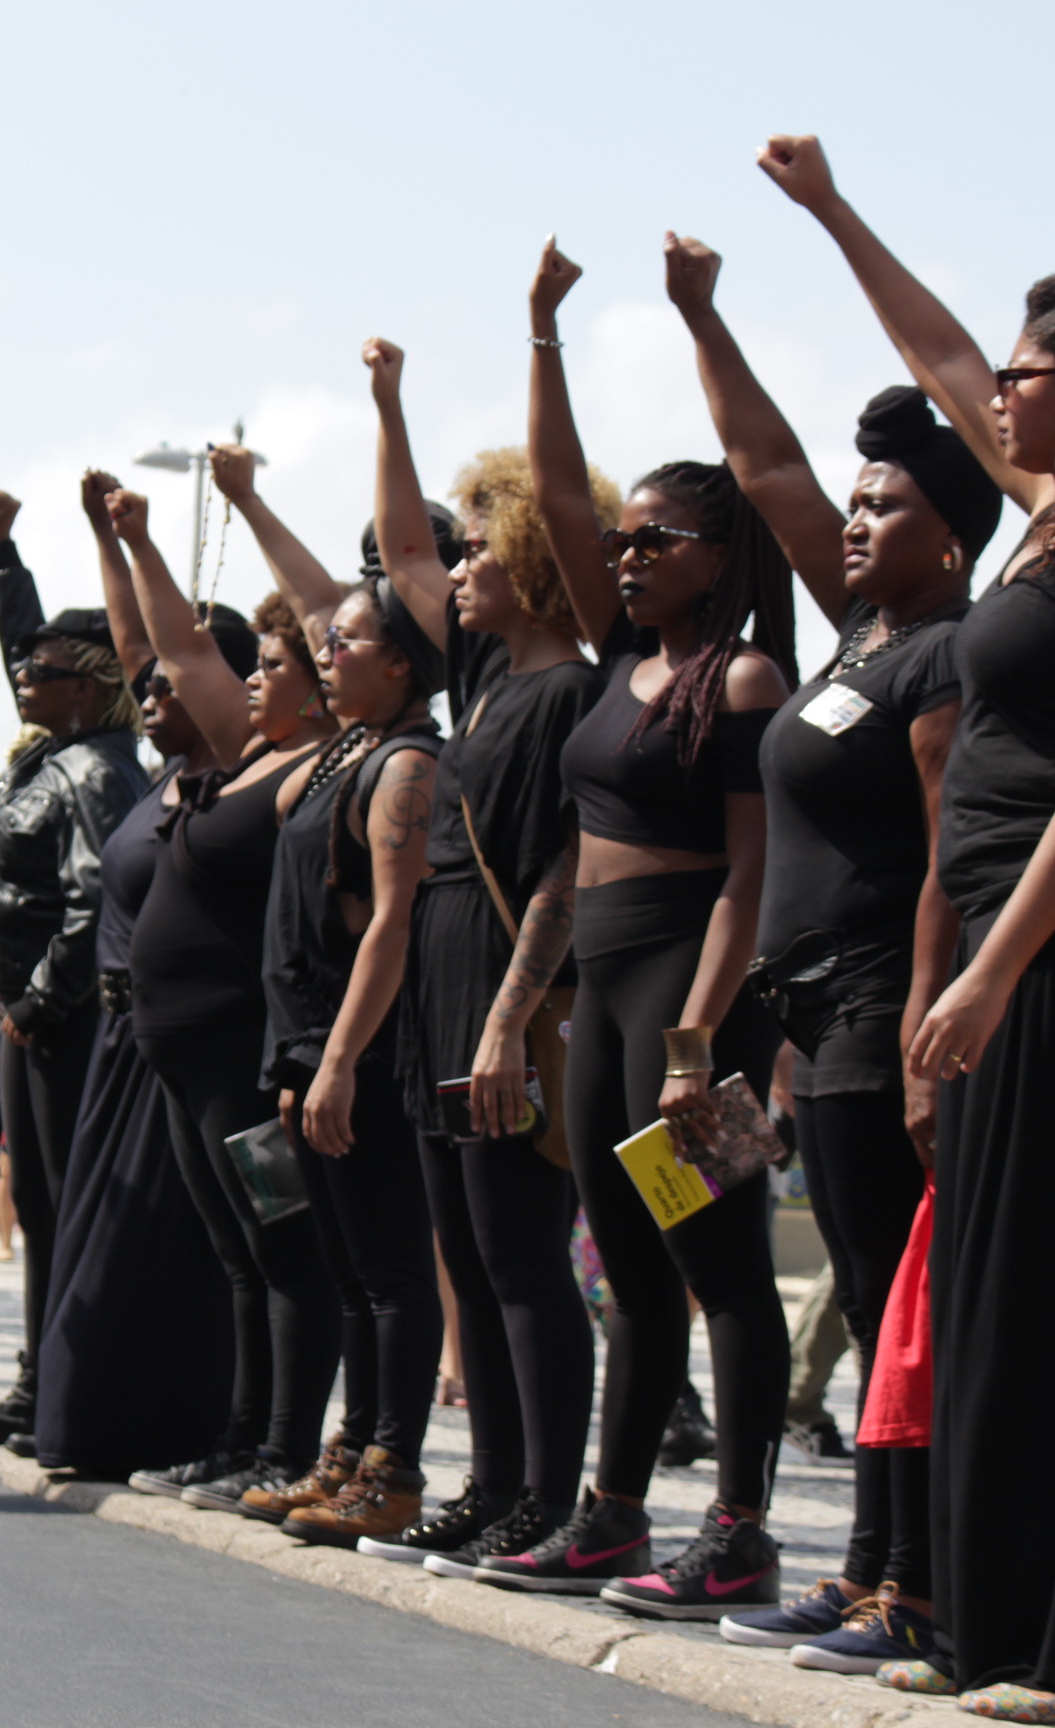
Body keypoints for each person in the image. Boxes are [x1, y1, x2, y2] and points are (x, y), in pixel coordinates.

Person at [766, 133, 1055, 1723]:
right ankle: (992, 1627)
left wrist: (985, 969)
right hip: (1021, 942)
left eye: (1031, 374)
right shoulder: (1039, 516)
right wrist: (831, 215)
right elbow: (938, 353)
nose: (998, 395)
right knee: (986, 1294)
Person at [651, 231, 1006, 1667]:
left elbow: (939, 860)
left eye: (892, 506)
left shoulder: (947, 655)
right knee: (863, 1300)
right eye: (857, 506)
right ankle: (869, 1567)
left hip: (882, 1009)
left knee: (886, 1303)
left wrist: (920, 1034)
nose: (855, 524)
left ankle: (910, 1581)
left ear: (959, 531)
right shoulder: (861, 630)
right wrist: (703, 321)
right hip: (816, 1021)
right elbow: (773, 473)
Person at [495, 236, 795, 1616]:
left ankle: (739, 1528)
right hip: (603, 987)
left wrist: (695, 1043)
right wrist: (546, 329)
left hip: (689, 991)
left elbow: (750, 874)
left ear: (719, 555)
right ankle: (612, 1514)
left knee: (721, 1262)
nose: (621, 554)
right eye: (621, 542)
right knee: (625, 1260)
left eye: (653, 540)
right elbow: (560, 498)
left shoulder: (740, 677)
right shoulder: (628, 657)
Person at [357, 337, 609, 1576]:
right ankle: (495, 1483)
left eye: (477, 546)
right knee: (464, 1251)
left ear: (526, 556)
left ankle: (547, 1498)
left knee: (521, 1257)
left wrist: (511, 1019)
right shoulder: (487, 682)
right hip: (442, 987)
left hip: (509, 993)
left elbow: (565, 869)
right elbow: (402, 547)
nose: (453, 567)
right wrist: (389, 405)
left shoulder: (569, 692)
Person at [202, 455, 450, 1550]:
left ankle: (393, 1467)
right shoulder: (338, 745)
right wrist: (252, 503)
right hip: (303, 1045)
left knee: (391, 1270)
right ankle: (348, 1451)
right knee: (348, 1268)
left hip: (365, 1050)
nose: (321, 651)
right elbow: (313, 605)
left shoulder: (402, 762)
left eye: (345, 644)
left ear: (399, 664)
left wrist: (344, 1059)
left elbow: (392, 924)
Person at [100, 467, 342, 1508]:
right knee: (236, 1255)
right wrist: (139, 541)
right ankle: (240, 1438)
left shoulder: (317, 768)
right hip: (183, 1061)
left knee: (286, 1252)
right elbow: (181, 648)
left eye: (275, 665)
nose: (248, 679)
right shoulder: (249, 756)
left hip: (249, 1061)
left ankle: (289, 1449)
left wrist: (246, 505)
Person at [19, 472, 257, 1478]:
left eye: (169, 684)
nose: (148, 693)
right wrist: (104, 540)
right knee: (96, 1246)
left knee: (178, 1260)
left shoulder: (243, 772)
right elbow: (136, 647)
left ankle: (184, 1432)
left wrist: (149, 549)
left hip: (200, 1042)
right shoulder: (165, 768)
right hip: (120, 1045)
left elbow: (175, 652)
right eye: (145, 685)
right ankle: (91, 1426)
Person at [0, 488, 147, 1447]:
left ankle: (61, 1386)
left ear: (92, 686)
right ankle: (39, 1379)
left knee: (64, 1202)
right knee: (37, 1199)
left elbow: (97, 897)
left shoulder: (97, 769)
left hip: (61, 1022)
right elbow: (32, 649)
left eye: (48, 668)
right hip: (32, 1018)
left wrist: (32, 1002)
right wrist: (3, 557)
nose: (25, 674)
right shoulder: (56, 746)